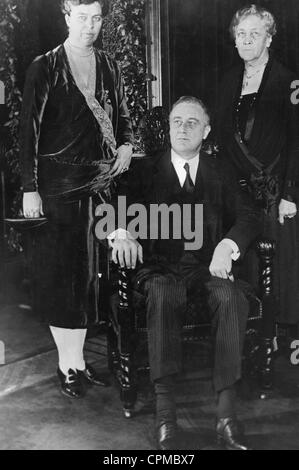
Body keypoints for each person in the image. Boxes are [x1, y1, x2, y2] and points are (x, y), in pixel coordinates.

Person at [103, 96, 261, 450]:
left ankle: (226, 416)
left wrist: (227, 245)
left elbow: (250, 215)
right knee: (164, 294)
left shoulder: (221, 171)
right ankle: (166, 417)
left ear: (205, 130)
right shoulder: (144, 171)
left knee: (230, 296)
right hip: (159, 268)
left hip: (207, 268)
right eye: (177, 121)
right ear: (169, 127)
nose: (183, 128)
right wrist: (124, 233)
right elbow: (115, 208)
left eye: (192, 122)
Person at [19, 0, 134, 399]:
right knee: (62, 278)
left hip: (100, 184)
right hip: (57, 188)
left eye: (96, 18)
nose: (90, 26)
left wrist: (126, 144)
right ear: (66, 18)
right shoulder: (44, 66)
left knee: (88, 279)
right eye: (82, 17)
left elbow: (122, 116)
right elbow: (27, 133)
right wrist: (29, 188)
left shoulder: (110, 65)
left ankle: (79, 362)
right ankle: (66, 364)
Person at [216, 4, 299, 327]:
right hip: (238, 188)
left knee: (281, 264)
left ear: (269, 39)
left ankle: (279, 333)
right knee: (245, 259)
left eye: (255, 34)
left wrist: (290, 192)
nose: (247, 40)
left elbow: (297, 141)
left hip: (277, 189)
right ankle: (253, 329)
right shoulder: (227, 82)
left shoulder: (289, 81)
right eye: (241, 34)